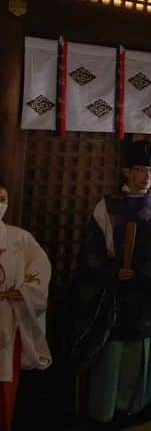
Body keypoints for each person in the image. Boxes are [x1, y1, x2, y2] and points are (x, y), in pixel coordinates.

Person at [70, 140, 151, 429]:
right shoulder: (107, 206)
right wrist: (112, 271)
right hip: (118, 293)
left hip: (150, 292)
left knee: (144, 349)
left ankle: (142, 404)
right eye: (140, 170)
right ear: (126, 172)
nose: (147, 176)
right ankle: (107, 409)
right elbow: (91, 252)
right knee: (114, 352)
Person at [0, 184, 51, 431]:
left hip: (8, 316)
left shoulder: (20, 238)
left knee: (5, 383)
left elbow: (41, 268)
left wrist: (23, 292)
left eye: (3, 198)